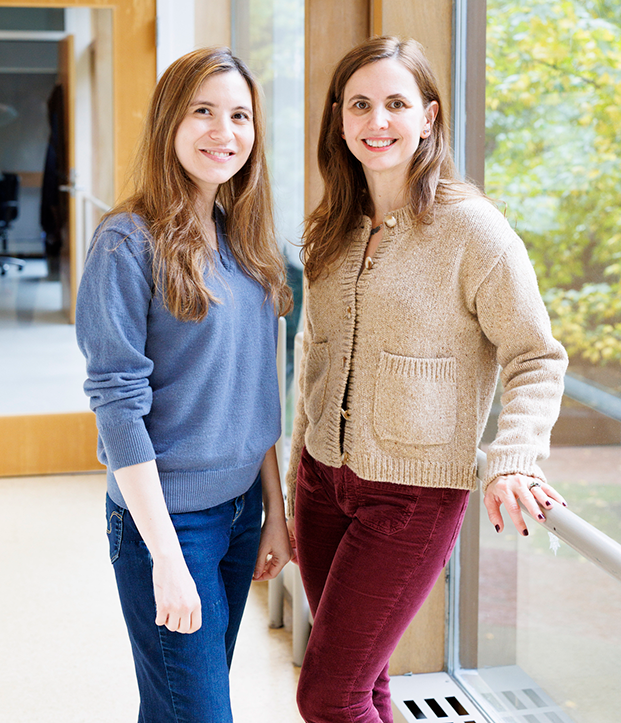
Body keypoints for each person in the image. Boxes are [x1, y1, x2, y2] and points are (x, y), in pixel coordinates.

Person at [285, 36, 568, 723]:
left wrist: (514, 458)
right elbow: (312, 357)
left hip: (411, 497)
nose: (376, 121)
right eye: (359, 104)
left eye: (394, 104)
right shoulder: (332, 228)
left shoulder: (473, 230)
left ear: (428, 116)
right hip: (322, 482)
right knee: (364, 681)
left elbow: (534, 355)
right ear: (339, 119)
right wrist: (298, 473)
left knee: (327, 695)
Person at [76, 47, 292, 723]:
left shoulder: (248, 246)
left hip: (237, 516)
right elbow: (116, 407)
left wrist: (273, 515)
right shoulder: (125, 242)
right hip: (166, 526)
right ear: (170, 121)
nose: (222, 132)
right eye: (203, 111)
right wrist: (164, 556)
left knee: (176, 707)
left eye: (238, 116)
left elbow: (257, 396)